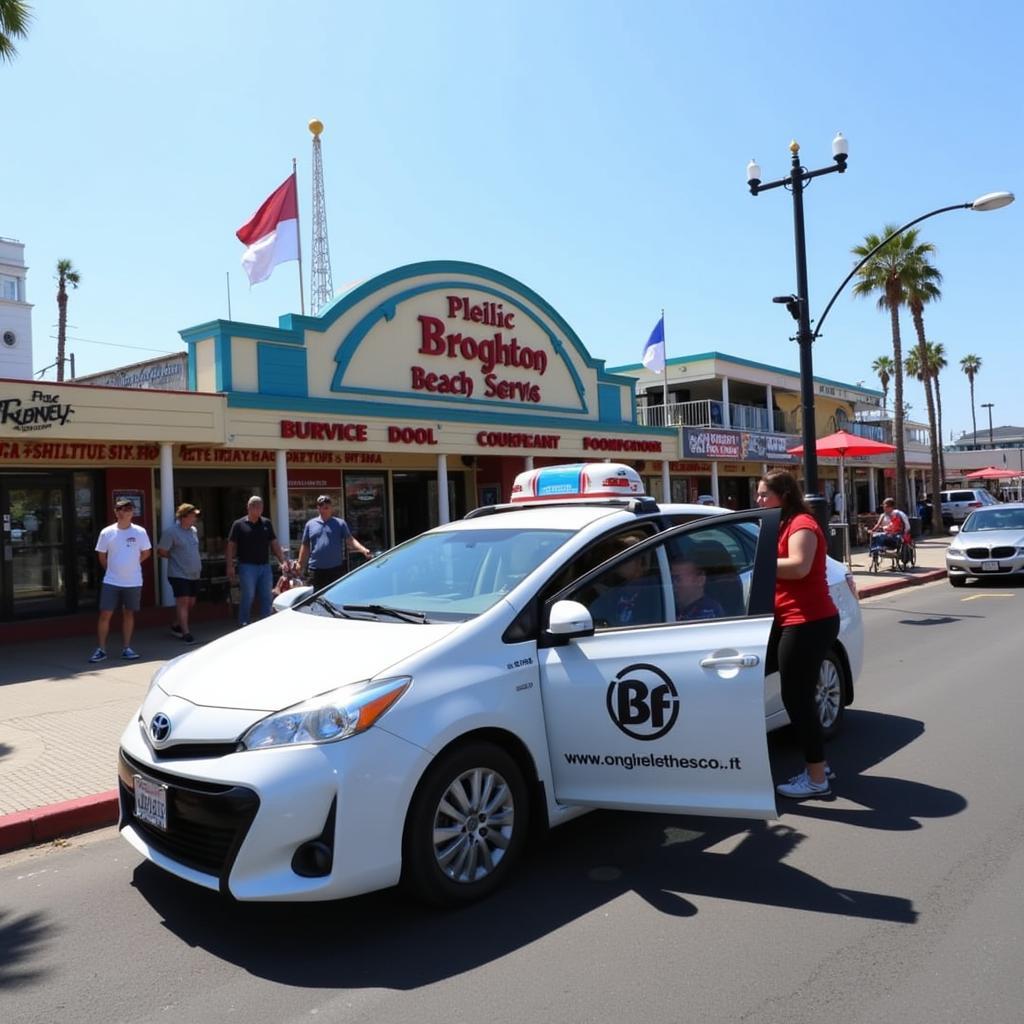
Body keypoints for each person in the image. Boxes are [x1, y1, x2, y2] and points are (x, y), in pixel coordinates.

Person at [755, 471, 840, 799]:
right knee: (794, 694)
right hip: (791, 620)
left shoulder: (802, 523)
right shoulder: (781, 524)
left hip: (807, 622)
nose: (759, 500)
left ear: (784, 494)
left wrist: (762, 562)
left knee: (797, 698)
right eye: (759, 494)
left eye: (764, 494)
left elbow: (800, 566)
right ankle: (819, 765)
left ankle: (817, 779)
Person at [90, 498, 152, 663]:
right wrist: (112, 568)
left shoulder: (140, 532)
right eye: (119, 509)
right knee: (105, 614)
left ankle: (127, 648)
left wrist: (132, 563)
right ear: (115, 512)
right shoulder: (107, 532)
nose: (123, 512)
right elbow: (101, 556)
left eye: (127, 509)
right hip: (111, 581)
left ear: (132, 512)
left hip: (133, 581)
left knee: (129, 613)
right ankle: (101, 649)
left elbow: (147, 552)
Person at [225, 496, 289, 626]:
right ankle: (244, 623)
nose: (258, 509)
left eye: (260, 506)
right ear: (248, 507)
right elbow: (231, 546)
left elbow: (274, 544)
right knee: (248, 596)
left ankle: (266, 624)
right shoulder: (238, 524)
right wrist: (230, 565)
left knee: (267, 597)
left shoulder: (266, 523)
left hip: (265, 566)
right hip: (247, 566)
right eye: (254, 506)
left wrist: (283, 561)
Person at [297, 494, 371, 591]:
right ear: (318, 508)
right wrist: (300, 565)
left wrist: (363, 550)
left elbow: (350, 540)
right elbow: (305, 546)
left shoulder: (340, 523)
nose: (324, 508)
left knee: (334, 597)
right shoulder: (310, 524)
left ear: (331, 508)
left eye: (327, 506)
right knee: (315, 599)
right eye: (321, 505)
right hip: (316, 570)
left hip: (335, 569)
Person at [157, 503, 202, 644]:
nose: (195, 518)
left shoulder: (193, 530)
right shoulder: (171, 532)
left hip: (194, 573)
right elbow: (161, 551)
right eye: (192, 515)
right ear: (184, 516)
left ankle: (176, 625)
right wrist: (175, 558)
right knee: (183, 602)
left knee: (191, 602)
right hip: (178, 573)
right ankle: (186, 633)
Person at [672, 547, 725, 621]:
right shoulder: (674, 607)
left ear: (700, 580)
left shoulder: (708, 612)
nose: (672, 585)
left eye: (678, 579)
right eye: (671, 579)